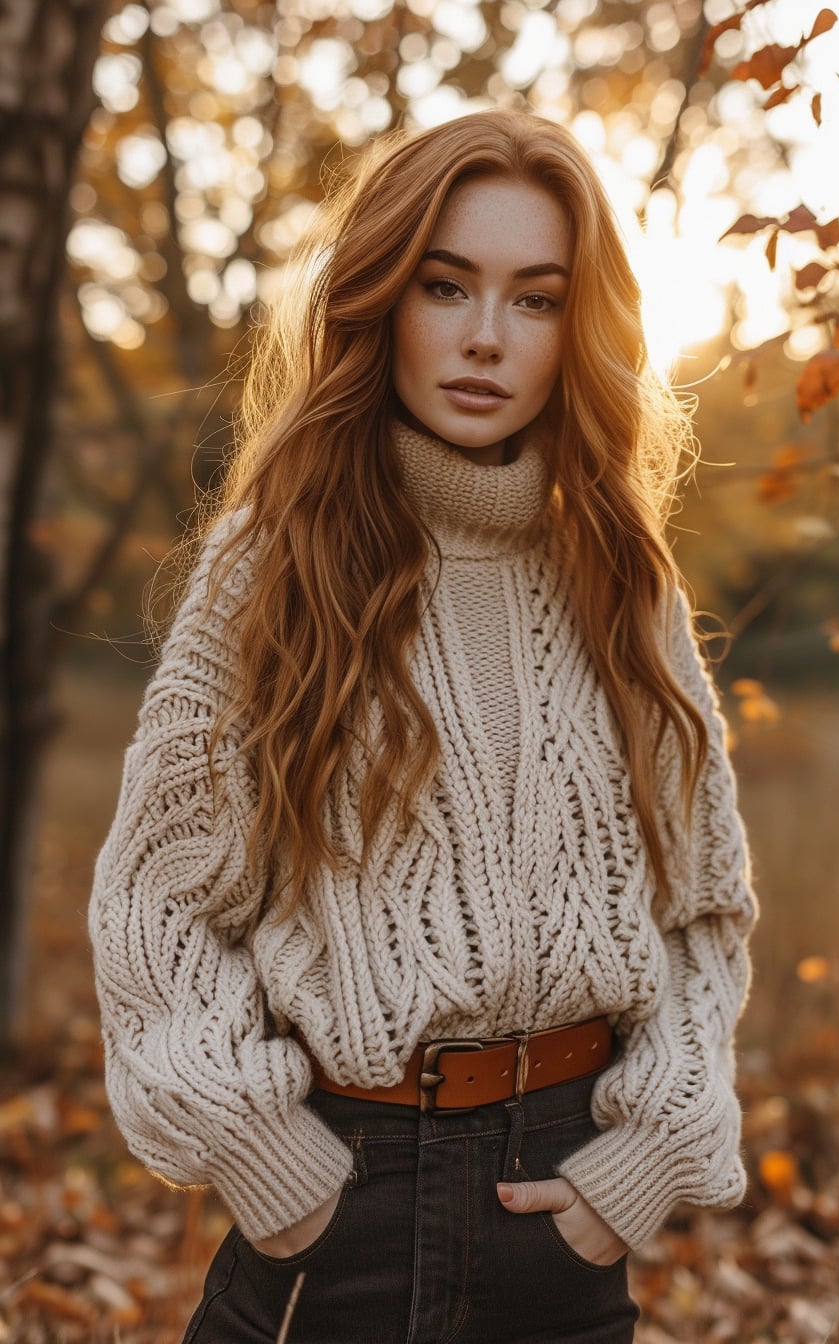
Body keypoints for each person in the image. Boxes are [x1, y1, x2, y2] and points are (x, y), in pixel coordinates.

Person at [89, 108, 758, 1344]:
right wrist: (268, 1165)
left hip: (566, 1205)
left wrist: (641, 1165)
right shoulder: (273, 568)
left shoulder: (624, 581)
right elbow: (159, 900)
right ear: (380, 300)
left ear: (580, 328)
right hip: (340, 1201)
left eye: (536, 299)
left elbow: (701, 911)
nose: (486, 339)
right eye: (445, 285)